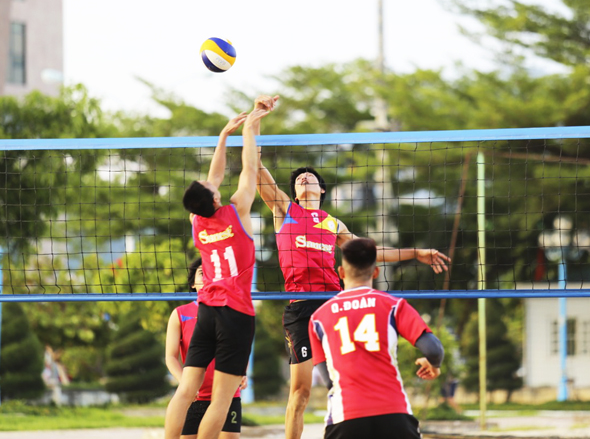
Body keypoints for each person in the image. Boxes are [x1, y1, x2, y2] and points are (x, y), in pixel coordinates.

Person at [256, 142, 451, 439]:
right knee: (301, 391)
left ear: (322, 191)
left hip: (333, 307)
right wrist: (252, 151)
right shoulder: (286, 210)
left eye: (311, 177)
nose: (304, 178)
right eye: (299, 178)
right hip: (301, 307)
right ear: (294, 192)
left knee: (349, 380)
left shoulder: (333, 224)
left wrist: (416, 252)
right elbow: (262, 181)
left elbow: (370, 252)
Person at [164, 95, 276, 439]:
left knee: (185, 391)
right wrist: (253, 124)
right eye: (212, 189)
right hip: (236, 312)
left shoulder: (197, 222)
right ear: (213, 200)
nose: (215, 183)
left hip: (208, 310)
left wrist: (224, 134)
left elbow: (215, 175)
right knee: (222, 400)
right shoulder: (237, 210)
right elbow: (249, 169)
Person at [309, 237, 444, 439]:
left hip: (346, 417)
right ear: (376, 272)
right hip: (394, 413)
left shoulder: (318, 318)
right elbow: (434, 350)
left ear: (341, 273)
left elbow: (329, 380)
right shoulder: (393, 305)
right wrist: (433, 363)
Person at [165, 258, 247, 439]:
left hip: (228, 395)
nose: (208, 276)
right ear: (193, 283)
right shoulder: (180, 313)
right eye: (202, 273)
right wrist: (184, 383)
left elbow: (238, 346)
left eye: (212, 272)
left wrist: (243, 372)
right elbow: (170, 356)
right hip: (194, 397)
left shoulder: (230, 311)